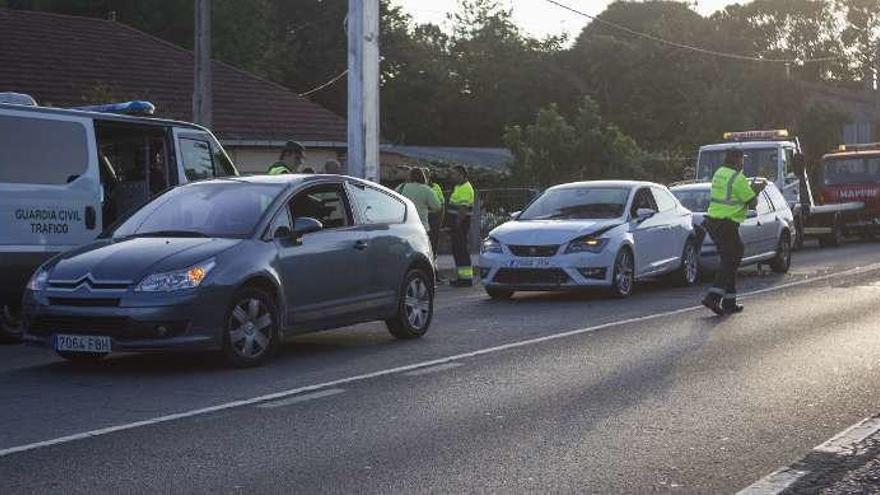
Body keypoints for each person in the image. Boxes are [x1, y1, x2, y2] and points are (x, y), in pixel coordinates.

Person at [701, 149, 767, 315]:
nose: (743, 163)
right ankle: (713, 297)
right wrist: (757, 189)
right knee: (732, 258)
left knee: (728, 260)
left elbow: (731, 196)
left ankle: (729, 301)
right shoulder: (738, 178)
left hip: (712, 222)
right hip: (726, 223)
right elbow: (751, 202)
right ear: (737, 160)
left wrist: (749, 189)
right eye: (742, 160)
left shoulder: (719, 173)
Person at [447, 165, 476, 287]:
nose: (453, 176)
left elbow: (463, 209)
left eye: (455, 174)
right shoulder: (459, 187)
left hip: (460, 224)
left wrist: (457, 224)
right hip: (457, 224)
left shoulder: (465, 188)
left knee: (461, 250)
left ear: (462, 175)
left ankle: (466, 279)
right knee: (457, 250)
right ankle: (462, 277)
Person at [397, 168, 442, 234]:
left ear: (409, 176)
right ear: (423, 177)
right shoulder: (427, 190)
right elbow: (437, 207)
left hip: (403, 225)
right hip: (421, 226)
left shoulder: (401, 187)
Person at [426, 169, 445, 259]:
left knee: (435, 237)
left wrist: (441, 217)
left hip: (435, 216)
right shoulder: (420, 187)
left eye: (427, 175)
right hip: (424, 216)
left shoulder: (436, 187)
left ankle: (433, 255)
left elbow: (442, 202)